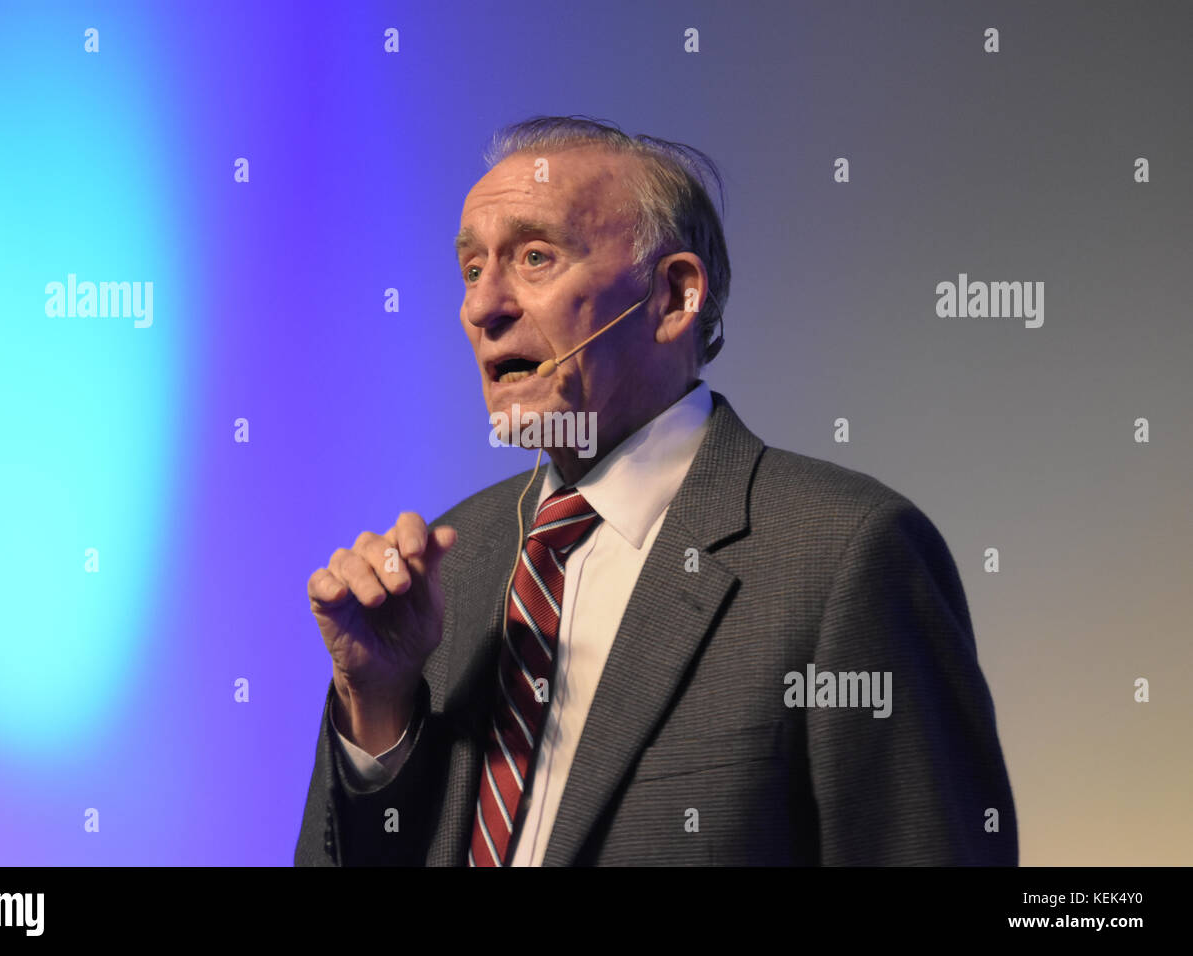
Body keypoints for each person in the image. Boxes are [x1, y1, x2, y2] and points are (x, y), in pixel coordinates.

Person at [294, 116, 1018, 866]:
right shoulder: (448, 564)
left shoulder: (844, 557)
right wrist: (376, 710)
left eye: (535, 257)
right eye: (474, 270)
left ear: (673, 298)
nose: (482, 308)